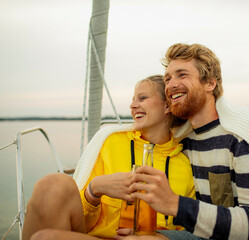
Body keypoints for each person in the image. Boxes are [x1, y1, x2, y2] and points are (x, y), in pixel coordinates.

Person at [127, 43, 249, 240]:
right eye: (168, 79)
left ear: (210, 84)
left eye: (182, 75)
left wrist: (174, 204)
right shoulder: (181, 141)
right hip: (202, 237)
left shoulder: (242, 135)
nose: (171, 85)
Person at [22, 75, 195, 240]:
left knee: (43, 238)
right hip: (97, 237)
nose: (133, 106)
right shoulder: (110, 143)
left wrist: (155, 235)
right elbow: (80, 222)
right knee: (53, 184)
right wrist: (94, 190)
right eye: (133, 100)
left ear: (167, 107)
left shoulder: (184, 166)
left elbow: (187, 232)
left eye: (142, 98)